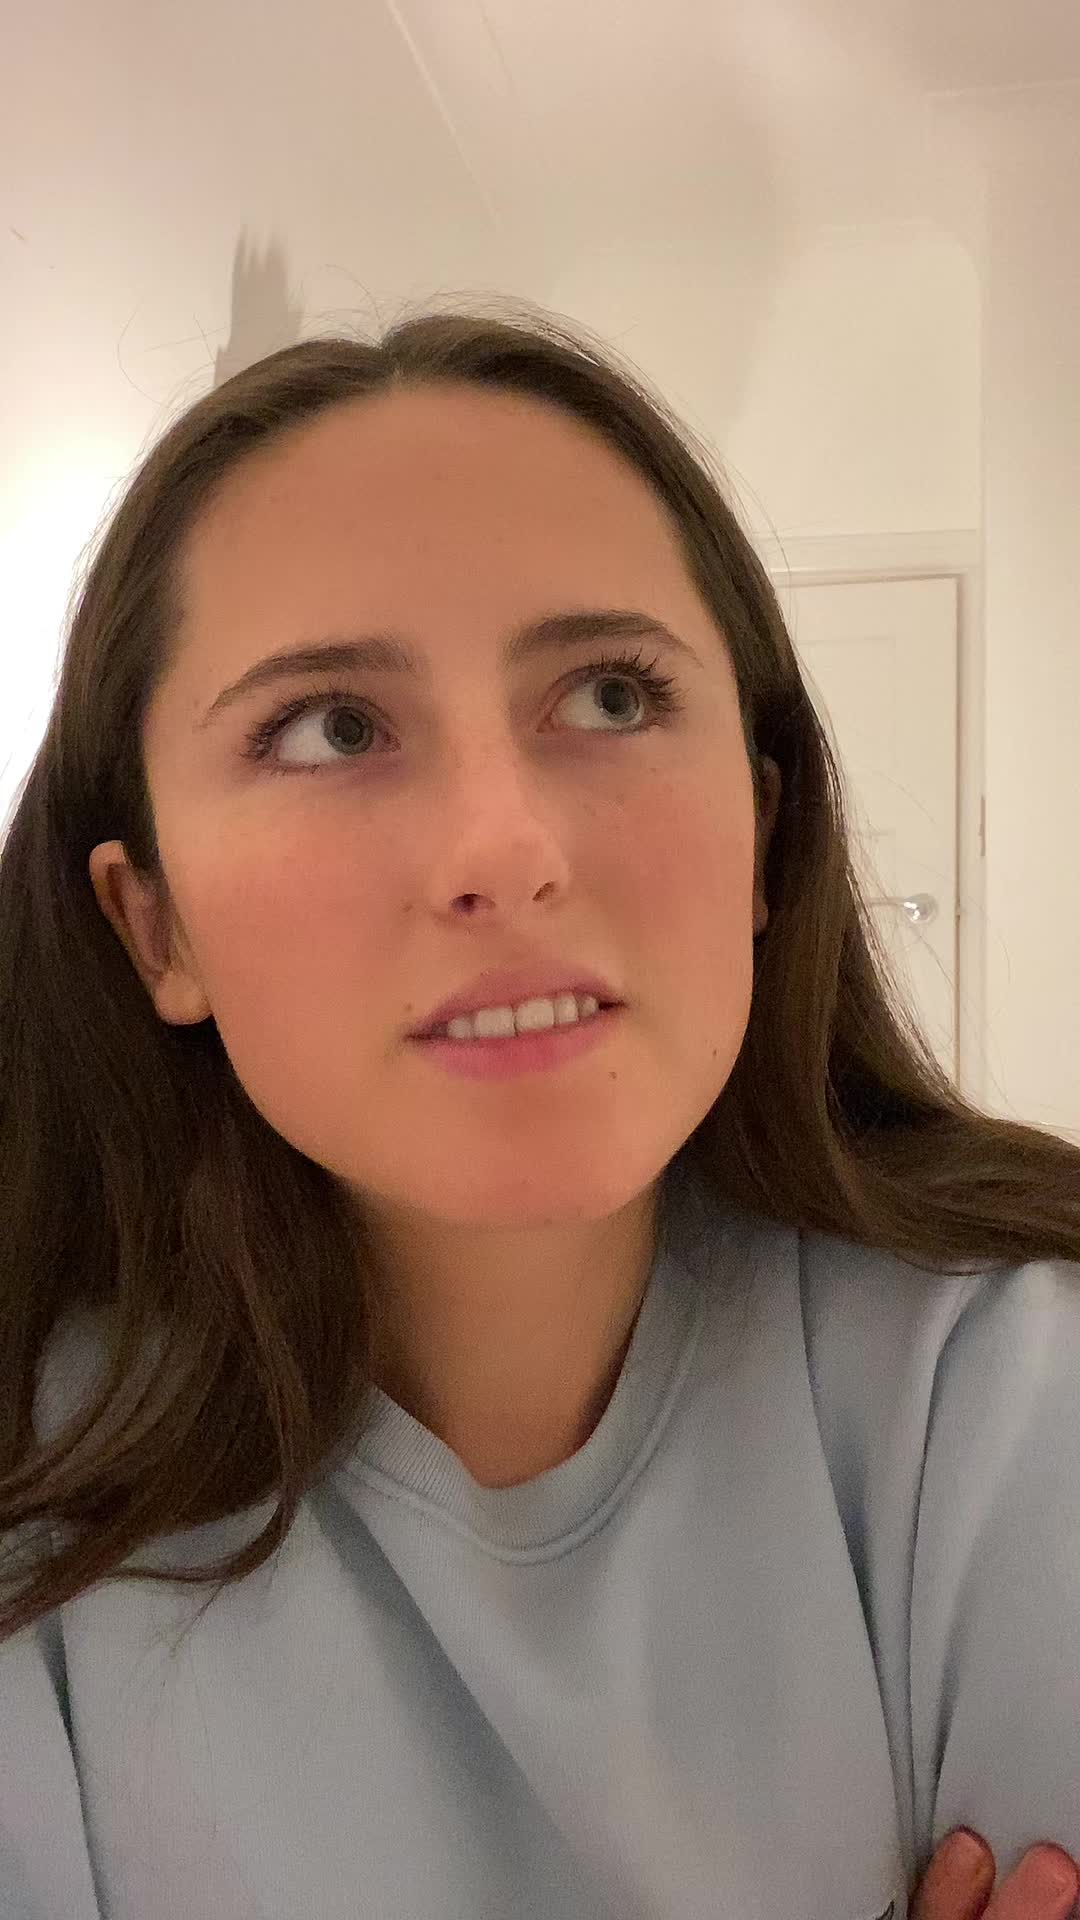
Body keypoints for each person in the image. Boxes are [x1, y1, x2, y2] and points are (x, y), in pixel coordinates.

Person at [1, 299, 1078, 1920]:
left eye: (611, 697)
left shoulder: (1010, 1390)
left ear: (764, 827)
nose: (504, 850)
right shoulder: (36, 1503)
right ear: (153, 925)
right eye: (332, 728)